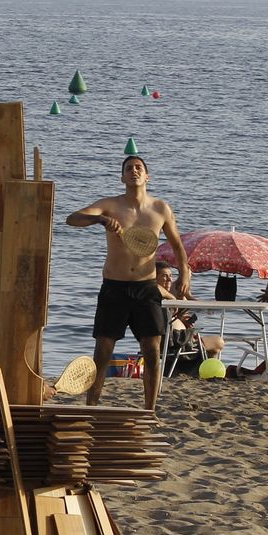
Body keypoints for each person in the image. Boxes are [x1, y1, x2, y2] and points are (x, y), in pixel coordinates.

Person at [66, 154, 189, 409]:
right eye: (129, 168)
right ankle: (91, 406)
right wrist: (100, 219)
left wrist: (184, 274)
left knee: (152, 352)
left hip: (146, 287)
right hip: (115, 287)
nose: (134, 171)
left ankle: (149, 410)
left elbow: (177, 244)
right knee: (102, 351)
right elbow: (72, 218)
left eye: (139, 168)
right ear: (122, 177)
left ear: (147, 176)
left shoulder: (160, 209)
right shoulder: (110, 205)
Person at [156, 263, 224, 375]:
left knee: (212, 343)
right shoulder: (157, 296)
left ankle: (196, 371)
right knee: (218, 342)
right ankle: (207, 373)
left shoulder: (160, 298)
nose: (169, 279)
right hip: (177, 345)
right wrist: (172, 297)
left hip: (175, 342)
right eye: (165, 276)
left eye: (171, 276)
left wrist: (180, 320)